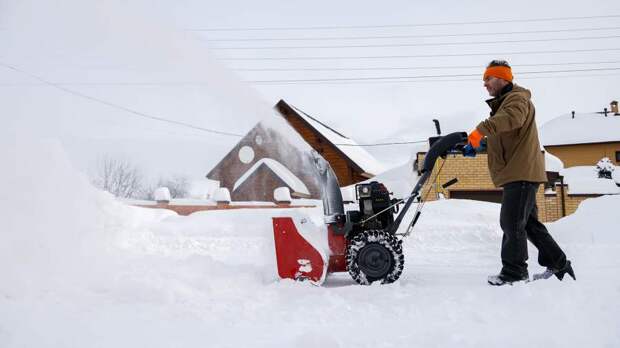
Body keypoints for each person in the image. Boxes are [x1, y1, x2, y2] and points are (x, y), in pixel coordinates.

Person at [467, 59, 576, 286]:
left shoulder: (516, 99)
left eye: (488, 79)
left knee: (511, 222)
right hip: (519, 170)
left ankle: (514, 272)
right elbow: (506, 135)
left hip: (521, 172)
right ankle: (559, 264)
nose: (484, 84)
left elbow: (510, 120)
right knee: (527, 224)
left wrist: (479, 132)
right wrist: (479, 145)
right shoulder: (506, 102)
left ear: (502, 78)